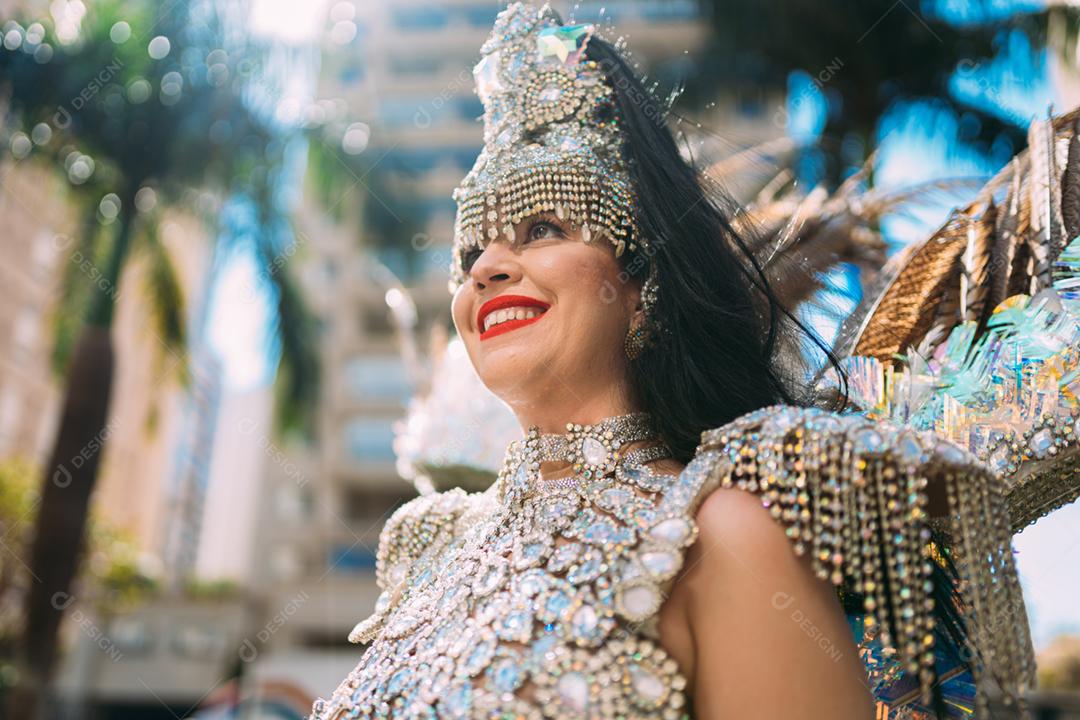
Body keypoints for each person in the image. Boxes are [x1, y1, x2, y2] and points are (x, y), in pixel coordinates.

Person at [310, 4, 1034, 718]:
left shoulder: (720, 534)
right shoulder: (429, 551)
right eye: (472, 252)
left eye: (543, 225)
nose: (489, 267)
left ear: (641, 286)